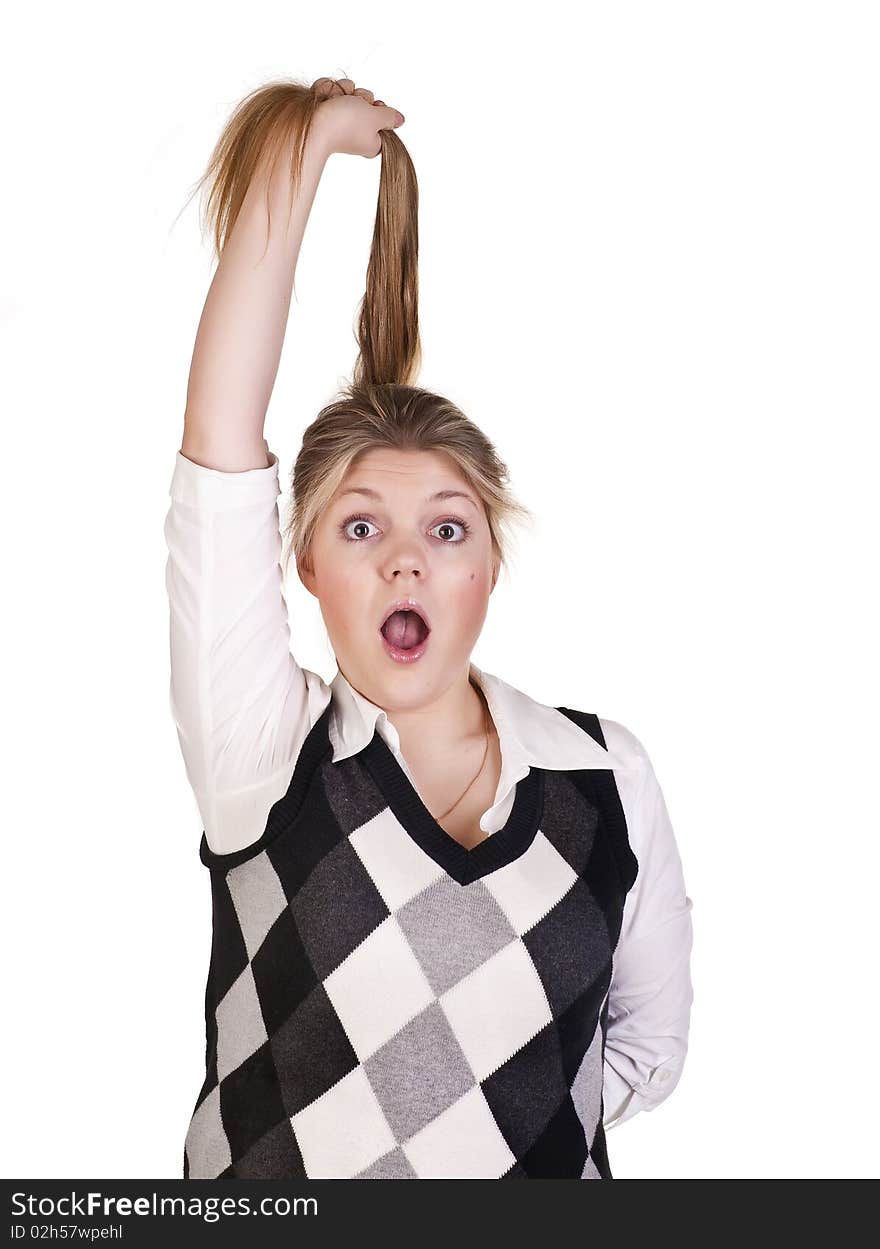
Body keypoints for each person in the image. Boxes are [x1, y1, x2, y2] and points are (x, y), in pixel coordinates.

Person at [164, 76, 694, 1180]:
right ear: (302, 564)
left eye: (446, 529)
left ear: (490, 563)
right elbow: (218, 436)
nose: (405, 555)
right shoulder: (263, 751)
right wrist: (301, 149)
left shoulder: (606, 774)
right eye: (361, 527)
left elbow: (644, 1047)